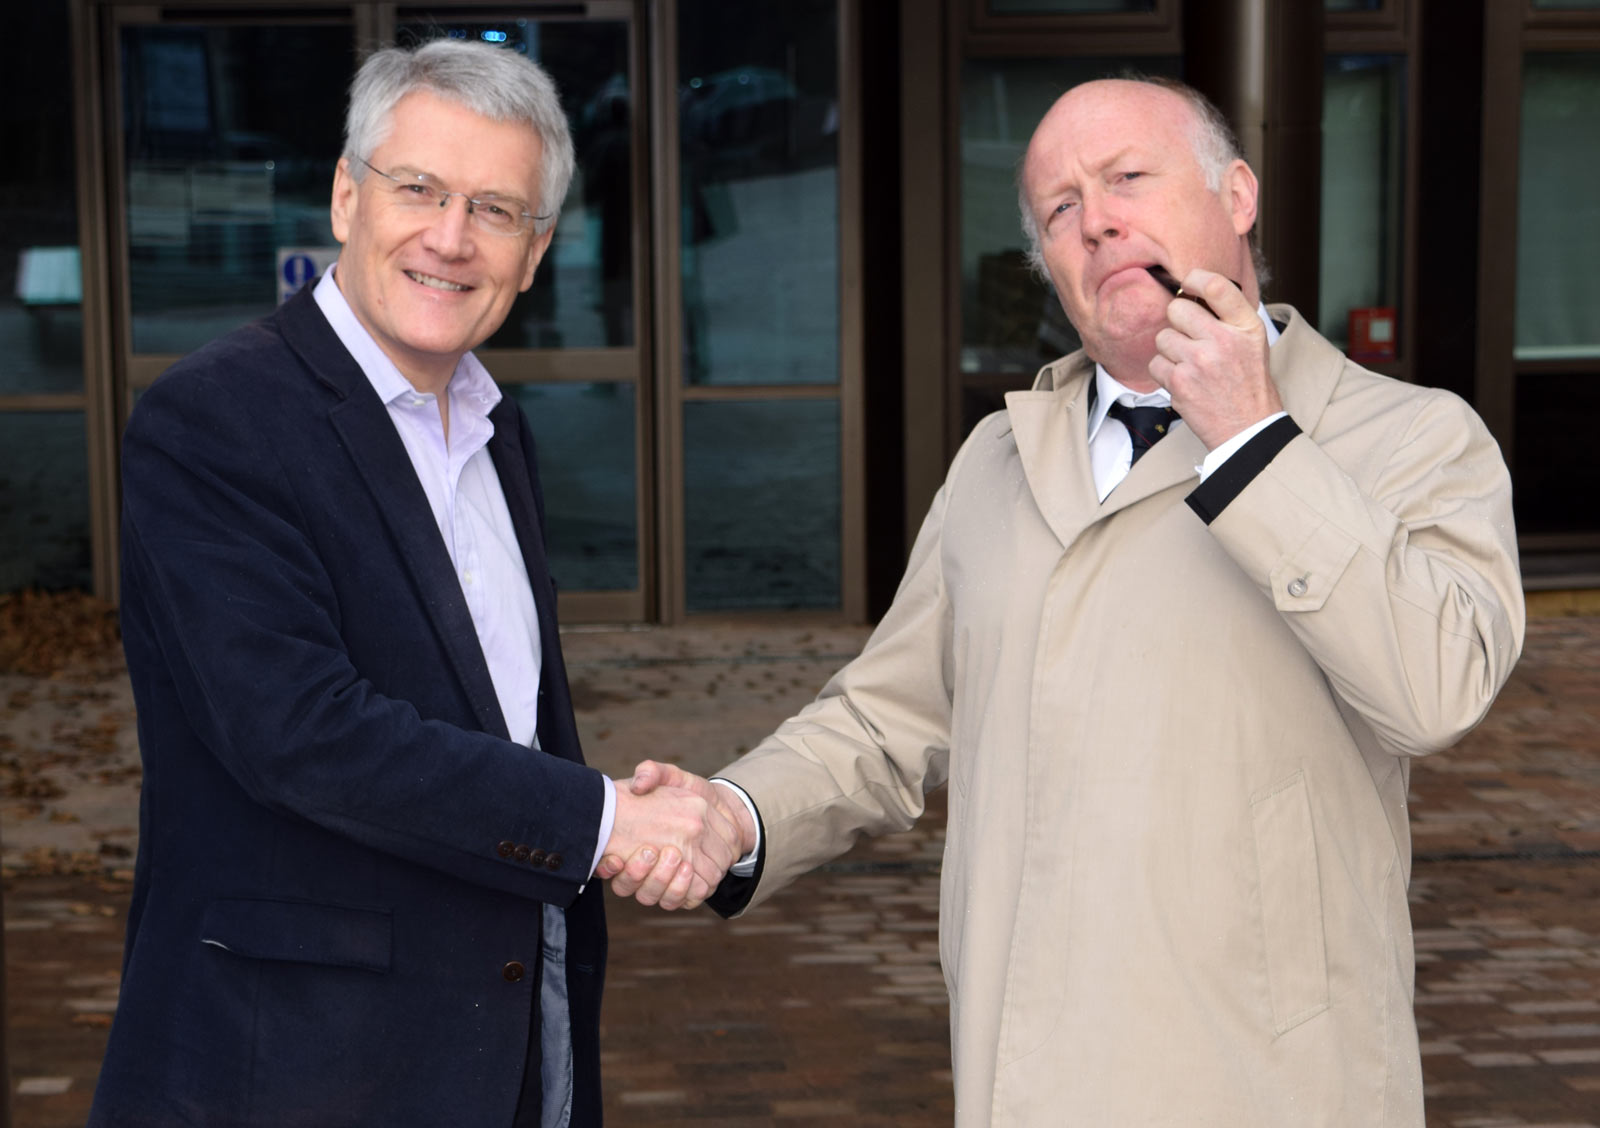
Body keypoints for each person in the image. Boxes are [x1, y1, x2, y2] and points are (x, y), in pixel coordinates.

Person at [604, 77, 1525, 1125]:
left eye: (1128, 178)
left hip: (1268, 1088)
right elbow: (890, 713)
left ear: (1236, 193)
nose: (1096, 222)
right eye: (1058, 209)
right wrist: (736, 813)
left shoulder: (1409, 438)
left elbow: (1436, 690)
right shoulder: (999, 458)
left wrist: (1254, 442)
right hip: (1025, 1078)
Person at [90, 39, 737, 1128]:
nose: (450, 237)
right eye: (420, 190)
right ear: (347, 194)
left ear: (535, 254)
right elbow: (300, 730)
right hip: (294, 1072)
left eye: (495, 210)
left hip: (500, 1045)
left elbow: (502, 728)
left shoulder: (494, 431)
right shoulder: (214, 421)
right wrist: (603, 822)